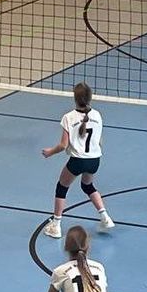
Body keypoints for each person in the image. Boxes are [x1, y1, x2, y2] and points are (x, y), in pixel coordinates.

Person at [42, 82, 115, 239]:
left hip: (78, 160)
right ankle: (105, 218)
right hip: (95, 160)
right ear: (90, 98)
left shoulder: (68, 117)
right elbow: (99, 140)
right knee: (87, 186)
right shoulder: (97, 115)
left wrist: (50, 152)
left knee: (61, 188)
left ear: (75, 98)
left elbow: (63, 145)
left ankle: (56, 225)